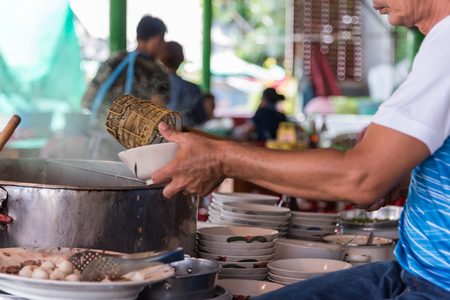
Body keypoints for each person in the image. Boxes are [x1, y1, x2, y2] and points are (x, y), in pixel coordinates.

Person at [151, 0, 450, 298]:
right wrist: (405, 173)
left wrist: (220, 159)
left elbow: (359, 178)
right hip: (411, 267)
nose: (373, 2)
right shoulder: (437, 43)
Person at [81, 15, 169, 160]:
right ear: (158, 39)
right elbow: (159, 120)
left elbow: (85, 101)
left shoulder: (112, 61)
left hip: (96, 146)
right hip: (131, 154)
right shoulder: (156, 72)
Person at [160, 41, 207, 127]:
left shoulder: (154, 85)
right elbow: (201, 117)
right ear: (181, 58)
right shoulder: (192, 88)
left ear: (161, 58)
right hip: (186, 135)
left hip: (160, 135)